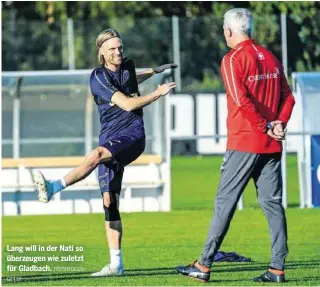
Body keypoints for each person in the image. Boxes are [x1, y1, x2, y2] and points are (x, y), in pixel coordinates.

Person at [33, 28, 177, 277]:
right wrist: (158, 92)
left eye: (120, 47)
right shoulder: (97, 78)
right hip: (110, 138)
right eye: (112, 49)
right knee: (110, 202)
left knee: (96, 154)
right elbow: (129, 102)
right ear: (101, 52)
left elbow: (131, 81)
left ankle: (54, 187)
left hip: (132, 137)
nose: (118, 52)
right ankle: (116, 265)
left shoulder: (127, 66)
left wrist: (153, 71)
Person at [176, 8, 295, 283]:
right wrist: (278, 123)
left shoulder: (232, 59)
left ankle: (203, 265)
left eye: (223, 30)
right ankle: (277, 269)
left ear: (229, 31)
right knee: (273, 205)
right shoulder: (271, 58)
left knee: (224, 205)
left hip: (244, 142)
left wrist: (266, 125)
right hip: (271, 145)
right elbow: (289, 97)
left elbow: (241, 100)